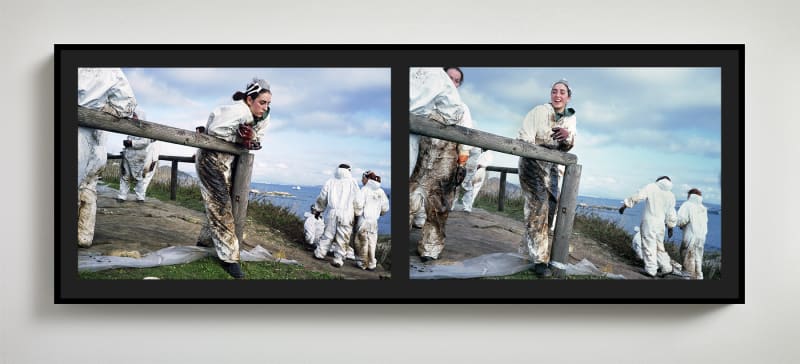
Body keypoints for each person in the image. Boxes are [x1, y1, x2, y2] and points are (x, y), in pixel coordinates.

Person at [195, 78, 271, 279]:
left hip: (229, 160)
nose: (265, 107)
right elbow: (216, 131)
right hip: (210, 157)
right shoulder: (237, 111)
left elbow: (258, 139)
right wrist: (240, 137)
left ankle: (205, 242)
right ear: (249, 99)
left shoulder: (263, 118)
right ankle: (230, 259)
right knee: (220, 204)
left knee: (220, 202)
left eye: (268, 103)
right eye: (262, 102)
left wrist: (251, 140)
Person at [408, 67, 470, 261]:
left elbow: (466, 139)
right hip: (420, 159)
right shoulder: (423, 102)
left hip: (445, 163)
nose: (452, 81)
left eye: (456, 80)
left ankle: (430, 249)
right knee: (409, 201)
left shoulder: (461, 109)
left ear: (459, 84)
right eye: (448, 77)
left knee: (438, 209)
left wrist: (462, 164)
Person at [517, 79, 577, 277]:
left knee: (550, 208)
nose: (557, 95)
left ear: (568, 97)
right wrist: (539, 152)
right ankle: (539, 261)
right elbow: (525, 138)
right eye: (554, 91)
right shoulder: (539, 111)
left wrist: (567, 136)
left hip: (552, 168)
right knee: (538, 206)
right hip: (532, 162)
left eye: (562, 92)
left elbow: (568, 145)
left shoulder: (570, 118)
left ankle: (529, 252)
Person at [77, 68, 138, 248]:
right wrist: (102, 108)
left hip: (80, 138)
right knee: (89, 188)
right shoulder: (111, 71)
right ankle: (84, 237)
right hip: (97, 142)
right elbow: (127, 105)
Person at [618, 176, 678, 278]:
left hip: (650, 222)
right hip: (661, 224)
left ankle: (651, 270)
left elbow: (638, 196)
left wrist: (625, 205)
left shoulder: (652, 187)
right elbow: (671, 213)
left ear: (659, 180)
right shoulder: (671, 195)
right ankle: (666, 267)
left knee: (648, 245)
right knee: (660, 247)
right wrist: (671, 227)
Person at [313, 164, 364, 268]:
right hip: (347, 213)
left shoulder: (330, 181)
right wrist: (358, 213)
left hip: (332, 212)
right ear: (349, 170)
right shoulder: (352, 182)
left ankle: (320, 253)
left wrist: (318, 209)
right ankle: (338, 259)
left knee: (327, 234)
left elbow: (322, 197)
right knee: (343, 237)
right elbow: (358, 200)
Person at [116, 109, 159, 203]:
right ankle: (122, 196)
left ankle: (140, 197)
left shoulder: (145, 129)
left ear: (141, 117)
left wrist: (131, 143)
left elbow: (145, 142)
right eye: (133, 115)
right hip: (128, 155)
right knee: (125, 176)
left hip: (138, 157)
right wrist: (127, 143)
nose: (133, 117)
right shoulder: (131, 128)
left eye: (135, 115)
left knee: (139, 177)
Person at [354, 171, 390, 270]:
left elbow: (358, 204)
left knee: (361, 241)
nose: (362, 180)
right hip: (374, 222)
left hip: (364, 219)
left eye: (363, 178)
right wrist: (380, 213)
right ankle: (371, 263)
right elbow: (385, 208)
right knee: (372, 243)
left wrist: (357, 214)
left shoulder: (364, 190)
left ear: (367, 179)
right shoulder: (381, 191)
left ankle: (362, 263)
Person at [677, 188, 708, 279]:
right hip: (701, 237)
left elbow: (682, 220)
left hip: (690, 235)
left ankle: (687, 278)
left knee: (687, 257)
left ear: (690, 195)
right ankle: (698, 277)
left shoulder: (687, 205)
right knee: (698, 258)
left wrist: (677, 224)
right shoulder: (703, 208)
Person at [453, 148, 493, 213]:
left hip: (474, 167)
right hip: (473, 166)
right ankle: (467, 206)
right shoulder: (486, 151)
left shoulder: (483, 150)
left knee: (464, 186)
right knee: (465, 186)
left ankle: (466, 206)